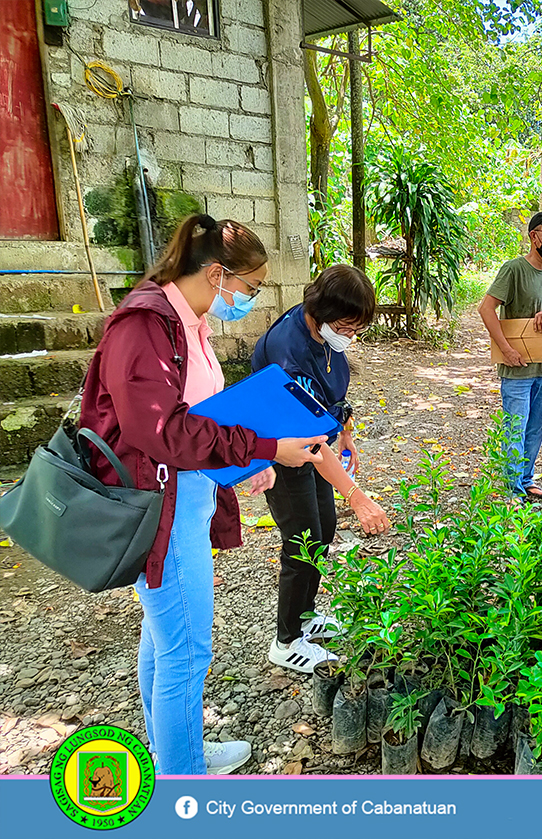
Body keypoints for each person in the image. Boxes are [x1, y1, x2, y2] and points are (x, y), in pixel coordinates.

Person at [79, 214, 327, 774]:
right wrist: (263, 446)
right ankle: (183, 777)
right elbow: (160, 432)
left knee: (165, 638)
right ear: (218, 274)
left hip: (185, 495)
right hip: (158, 506)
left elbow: (200, 416)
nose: (249, 300)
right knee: (187, 650)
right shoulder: (143, 326)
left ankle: (177, 748)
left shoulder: (186, 322)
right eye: (250, 288)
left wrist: (248, 461)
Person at [251, 265, 392, 674]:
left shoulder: (325, 332)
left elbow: (331, 398)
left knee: (324, 528)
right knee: (301, 539)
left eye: (356, 328)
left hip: (313, 443)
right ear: (323, 310)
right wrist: (358, 496)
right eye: (347, 326)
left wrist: (345, 431)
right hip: (281, 451)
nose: (350, 336)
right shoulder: (289, 353)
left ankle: (305, 614)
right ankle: (286, 640)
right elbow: (310, 439)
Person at [479, 211, 542, 499]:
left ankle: (526, 478)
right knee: (515, 427)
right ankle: (513, 490)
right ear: (533, 236)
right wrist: (507, 350)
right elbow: (486, 309)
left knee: (537, 425)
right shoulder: (513, 270)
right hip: (517, 369)